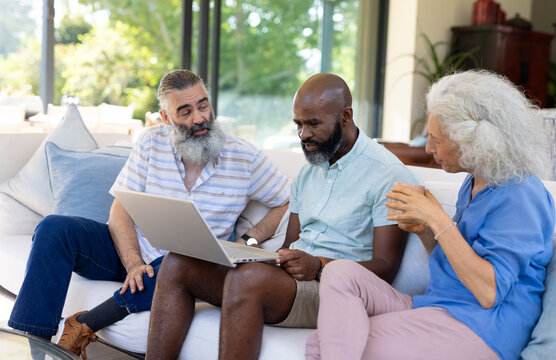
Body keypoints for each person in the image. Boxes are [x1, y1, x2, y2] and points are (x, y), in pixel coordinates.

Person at [8, 69, 291, 359]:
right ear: (166, 118)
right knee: (54, 229)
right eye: (185, 111)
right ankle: (36, 348)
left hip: (186, 266)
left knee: (174, 262)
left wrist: (250, 240)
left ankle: (85, 324)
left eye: (203, 105)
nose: (199, 118)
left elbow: (289, 202)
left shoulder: (245, 157)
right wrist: (133, 263)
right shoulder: (150, 142)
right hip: (130, 250)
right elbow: (120, 208)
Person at [145, 73, 419, 360]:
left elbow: (386, 268)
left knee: (248, 280)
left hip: (338, 291)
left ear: (345, 117)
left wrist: (320, 265)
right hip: (291, 283)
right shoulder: (308, 173)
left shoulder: (388, 175)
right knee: (178, 262)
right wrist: (256, 254)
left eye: (313, 124)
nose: (303, 135)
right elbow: (290, 246)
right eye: (298, 125)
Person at [305, 70, 556, 360]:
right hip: (439, 305)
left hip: (485, 328)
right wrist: (424, 228)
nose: (428, 149)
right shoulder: (474, 182)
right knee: (339, 273)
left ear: (475, 142)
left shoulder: (521, 193)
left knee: (327, 345)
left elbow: (489, 293)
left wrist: (437, 218)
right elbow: (456, 263)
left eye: (437, 140)